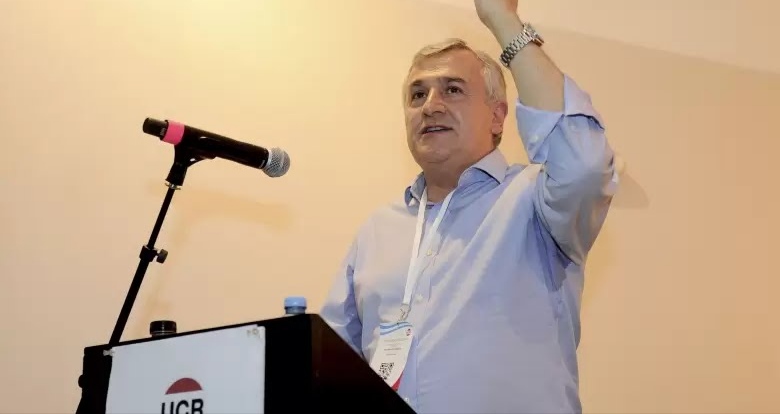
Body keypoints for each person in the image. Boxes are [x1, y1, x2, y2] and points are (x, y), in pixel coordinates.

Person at [319, 0, 618, 412]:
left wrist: (502, 19)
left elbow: (584, 164)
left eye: (453, 90)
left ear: (497, 117)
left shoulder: (535, 201)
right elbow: (329, 364)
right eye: (417, 94)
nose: (431, 105)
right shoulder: (377, 231)